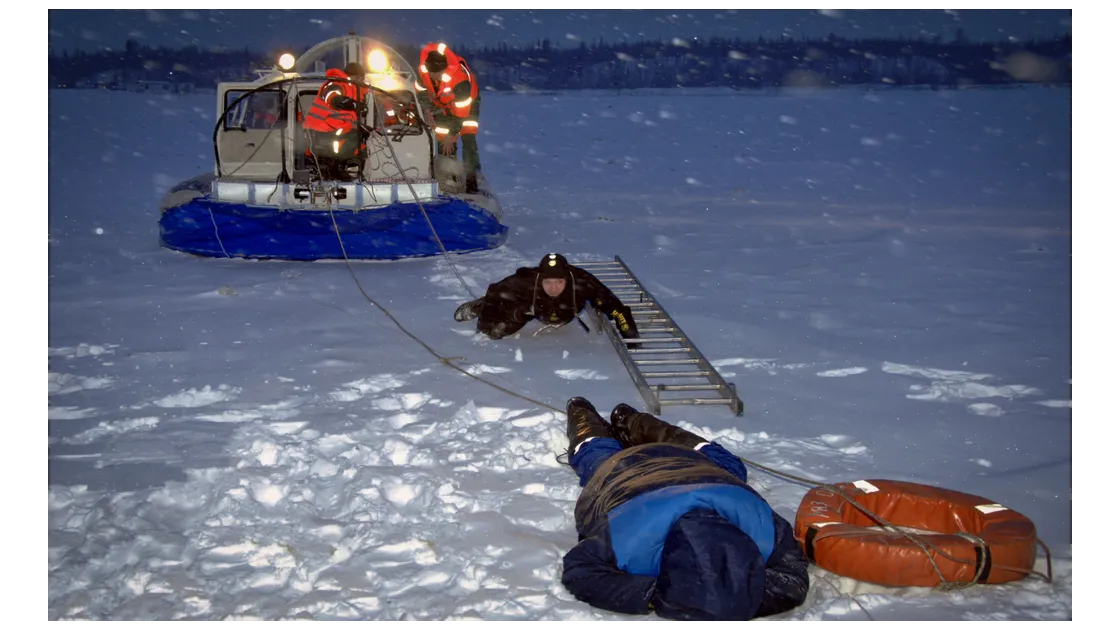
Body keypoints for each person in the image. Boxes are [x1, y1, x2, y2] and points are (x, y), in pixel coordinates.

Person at [559, 397, 811, 623]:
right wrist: (655, 594)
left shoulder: (759, 527)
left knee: (730, 465)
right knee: (594, 455)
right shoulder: (631, 539)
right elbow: (580, 570)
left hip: (697, 466)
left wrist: (736, 594)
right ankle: (598, 416)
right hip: (624, 472)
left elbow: (792, 577)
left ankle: (626, 418)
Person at [453, 253, 641, 346]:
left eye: (559, 282)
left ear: (566, 279)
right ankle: (479, 305)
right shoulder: (528, 279)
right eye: (548, 282)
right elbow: (495, 291)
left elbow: (616, 308)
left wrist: (632, 338)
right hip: (534, 308)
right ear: (540, 278)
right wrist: (485, 323)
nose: (553, 287)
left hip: (567, 311)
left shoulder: (581, 281)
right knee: (500, 324)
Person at [414, 42, 482, 193]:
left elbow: (460, 115)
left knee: (467, 137)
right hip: (443, 105)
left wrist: (451, 134)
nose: (433, 77)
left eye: (436, 74)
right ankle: (448, 175)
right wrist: (427, 110)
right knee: (442, 137)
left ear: (443, 69)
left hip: (467, 106)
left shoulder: (460, 81)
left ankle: (472, 177)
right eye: (431, 74)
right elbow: (421, 91)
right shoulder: (425, 73)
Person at [301, 62, 370, 180]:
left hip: (334, 128)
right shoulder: (336, 83)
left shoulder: (355, 90)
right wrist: (342, 101)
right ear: (352, 75)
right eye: (358, 77)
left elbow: (349, 115)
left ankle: (336, 167)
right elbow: (331, 95)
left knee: (359, 146)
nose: (360, 80)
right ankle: (332, 168)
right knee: (348, 142)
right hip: (321, 127)